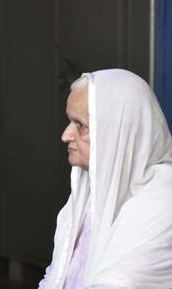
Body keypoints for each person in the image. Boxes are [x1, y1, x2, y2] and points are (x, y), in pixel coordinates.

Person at [39, 69, 172, 288]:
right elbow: (56, 276)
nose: (66, 135)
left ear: (119, 131)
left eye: (80, 125)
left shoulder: (162, 203)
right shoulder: (90, 193)